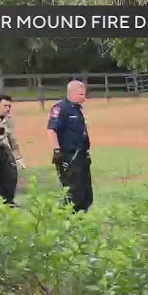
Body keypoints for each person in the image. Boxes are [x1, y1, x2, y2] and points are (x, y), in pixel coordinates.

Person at [47, 80, 92, 211]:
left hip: (82, 156)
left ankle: (82, 220)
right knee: (73, 193)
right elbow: (52, 129)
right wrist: (57, 150)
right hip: (69, 157)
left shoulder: (77, 110)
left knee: (86, 193)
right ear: (71, 93)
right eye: (81, 94)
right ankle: (69, 221)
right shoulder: (60, 108)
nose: (84, 98)